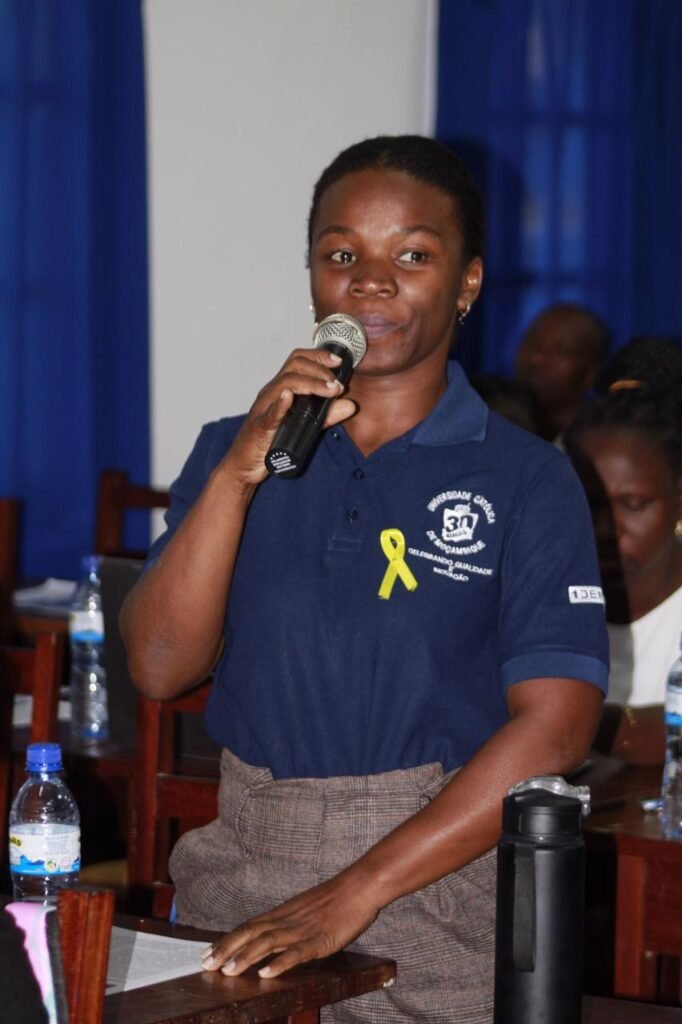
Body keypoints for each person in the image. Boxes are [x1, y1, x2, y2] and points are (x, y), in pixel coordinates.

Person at [120, 135, 608, 1023]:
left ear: (467, 283)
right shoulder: (233, 449)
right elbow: (158, 668)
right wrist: (238, 475)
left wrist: (353, 892)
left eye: (412, 256)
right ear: (313, 278)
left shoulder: (528, 478)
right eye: (341, 255)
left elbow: (558, 726)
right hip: (240, 879)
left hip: (432, 894)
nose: (370, 282)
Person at [566, 337, 682, 765]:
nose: (607, 528)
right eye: (590, 503)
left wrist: (559, 720)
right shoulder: (538, 594)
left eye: (634, 504)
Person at [514, 302, 610, 442]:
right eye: (532, 345)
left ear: (592, 373)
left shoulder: (596, 445)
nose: (536, 360)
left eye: (560, 352)